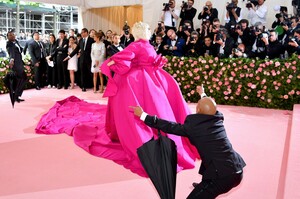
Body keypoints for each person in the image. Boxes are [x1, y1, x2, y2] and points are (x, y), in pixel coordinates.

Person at [101, 21, 198, 176]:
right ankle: (164, 132)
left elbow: (124, 58)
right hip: (151, 78)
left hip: (143, 80)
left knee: (148, 106)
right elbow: (133, 58)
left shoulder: (138, 45)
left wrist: (110, 62)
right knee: (159, 106)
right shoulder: (146, 45)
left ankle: (149, 133)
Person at [130, 85, 246, 199]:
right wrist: (202, 93)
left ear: (198, 110)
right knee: (211, 162)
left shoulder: (193, 127)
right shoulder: (217, 119)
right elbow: (209, 107)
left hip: (223, 177)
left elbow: (169, 126)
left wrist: (143, 115)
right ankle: (204, 187)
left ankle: (206, 189)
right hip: (237, 169)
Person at [6, 31, 27, 103]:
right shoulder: (9, 44)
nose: (12, 36)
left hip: (19, 63)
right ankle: (16, 96)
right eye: (10, 35)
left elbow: (20, 49)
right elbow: (11, 53)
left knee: (23, 79)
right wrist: (12, 60)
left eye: (13, 35)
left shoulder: (16, 42)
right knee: (22, 78)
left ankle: (16, 95)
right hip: (15, 64)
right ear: (8, 37)